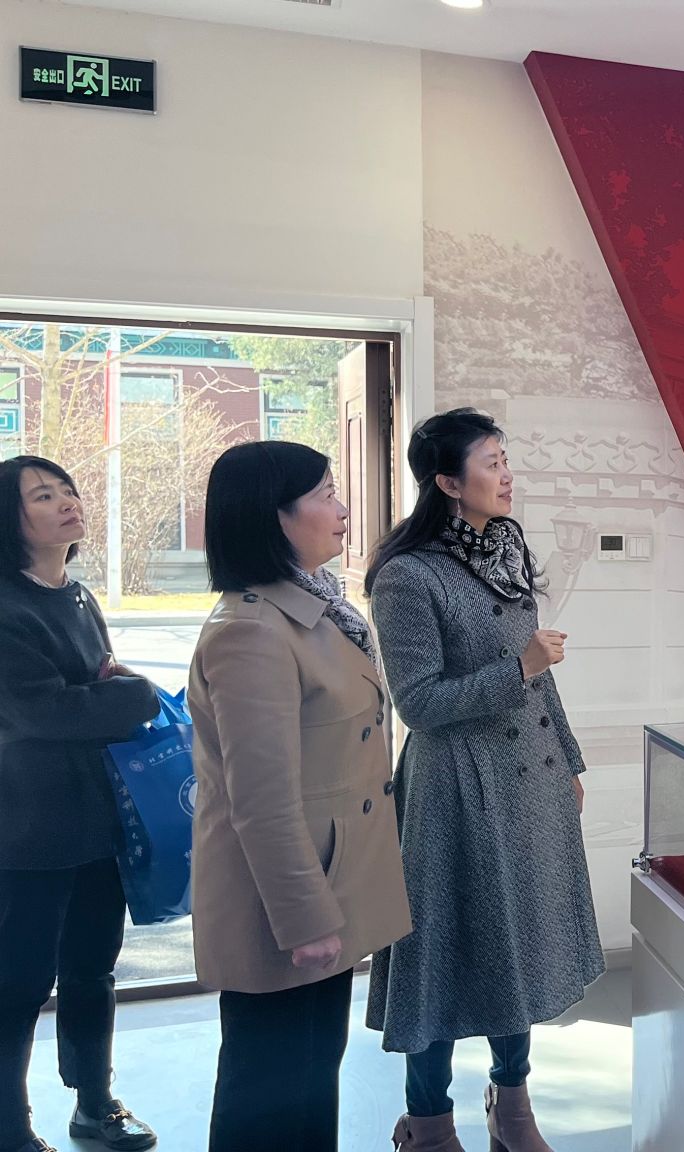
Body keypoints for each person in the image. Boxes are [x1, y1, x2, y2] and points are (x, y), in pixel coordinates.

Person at [367, 409, 600, 1152]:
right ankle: (428, 1122)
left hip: (530, 784)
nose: (507, 475)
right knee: (439, 956)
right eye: (492, 462)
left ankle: (512, 1104)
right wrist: (520, 666)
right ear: (447, 482)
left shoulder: (505, 548)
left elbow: (542, 681)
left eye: (506, 459)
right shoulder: (407, 576)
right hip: (453, 792)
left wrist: (570, 761)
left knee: (519, 945)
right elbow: (419, 704)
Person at [186, 442, 411, 1152]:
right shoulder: (251, 631)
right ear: (274, 515)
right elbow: (260, 798)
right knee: (268, 1089)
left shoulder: (315, 609)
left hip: (326, 878)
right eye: (325, 494)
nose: (342, 509)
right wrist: (305, 916)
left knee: (311, 1074)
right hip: (285, 899)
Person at [0, 456, 160, 1152]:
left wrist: (113, 695)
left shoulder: (77, 595)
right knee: (19, 982)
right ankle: (9, 1125)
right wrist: (133, 696)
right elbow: (43, 713)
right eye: (44, 495)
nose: (67, 501)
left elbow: (95, 689)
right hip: (27, 829)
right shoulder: (5, 607)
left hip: (97, 821)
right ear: (10, 519)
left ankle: (95, 1103)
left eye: (67, 489)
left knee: (92, 970)